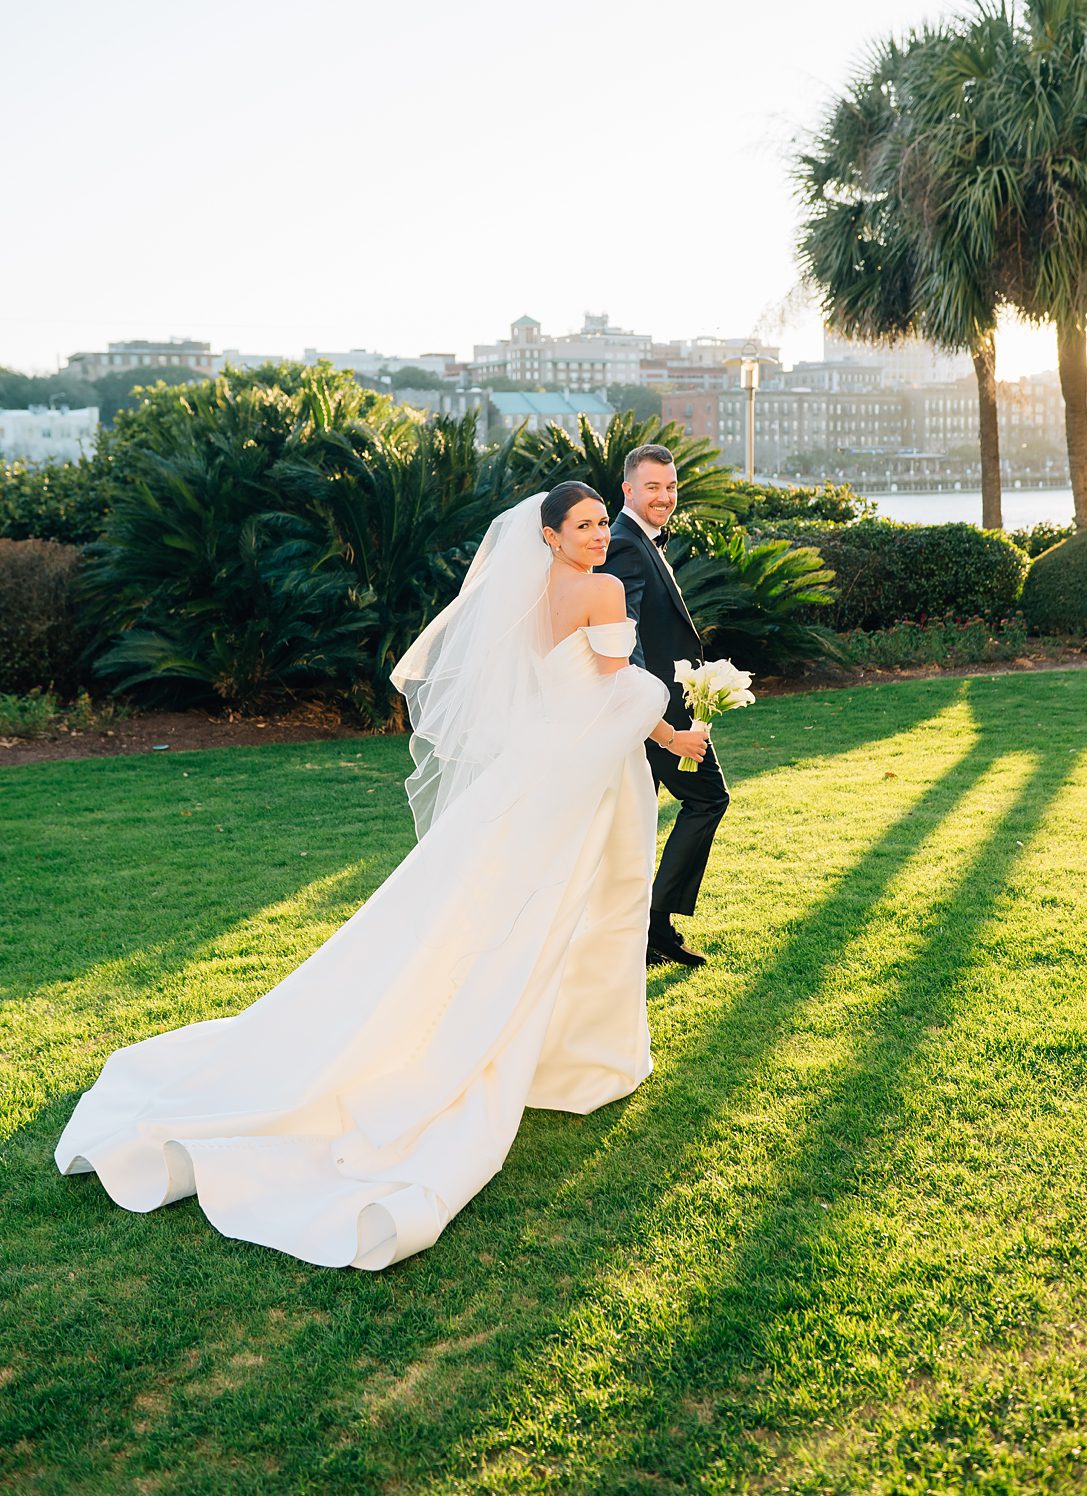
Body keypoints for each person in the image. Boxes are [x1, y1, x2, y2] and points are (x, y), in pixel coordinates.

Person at [53, 483, 706, 1272]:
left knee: (507, 908)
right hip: (582, 776)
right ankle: (580, 1061)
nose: (600, 536)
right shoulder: (600, 590)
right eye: (585, 525)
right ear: (550, 534)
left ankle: (550, 1049)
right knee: (590, 909)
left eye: (603, 523)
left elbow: (543, 689)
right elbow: (613, 689)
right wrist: (677, 725)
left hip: (536, 769)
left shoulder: (529, 593)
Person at [603, 444, 731, 970]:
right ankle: (654, 925)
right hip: (656, 714)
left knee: (635, 821)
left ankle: (636, 929)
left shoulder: (639, 539)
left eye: (671, 486)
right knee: (708, 799)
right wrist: (653, 717)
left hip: (662, 706)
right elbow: (624, 634)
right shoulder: (625, 545)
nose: (665, 496)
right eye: (653, 487)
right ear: (628, 489)